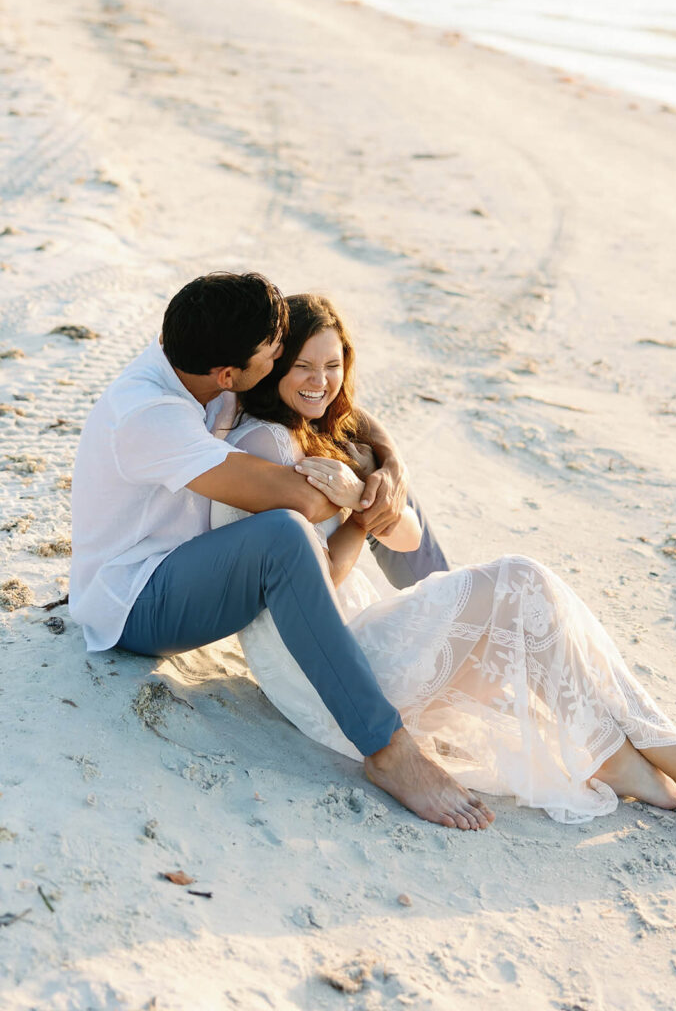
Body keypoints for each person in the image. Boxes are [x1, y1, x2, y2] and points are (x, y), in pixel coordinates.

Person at [211, 293, 676, 855]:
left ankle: (639, 760)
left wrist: (368, 495)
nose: (320, 380)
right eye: (304, 366)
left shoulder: (321, 432)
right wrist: (359, 518)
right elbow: (313, 583)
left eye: (333, 365)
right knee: (521, 581)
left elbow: (405, 537)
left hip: (356, 638)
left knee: (528, 602)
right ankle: (659, 766)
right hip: (326, 671)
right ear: (277, 367)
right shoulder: (265, 443)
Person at [69, 271, 495, 831]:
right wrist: (359, 490)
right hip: (136, 602)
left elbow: (345, 408)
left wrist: (389, 466)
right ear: (231, 377)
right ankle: (386, 749)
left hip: (195, 564)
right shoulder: (150, 418)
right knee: (284, 534)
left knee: (357, 457)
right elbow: (300, 500)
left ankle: (449, 615)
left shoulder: (195, 355)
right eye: (276, 354)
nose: (281, 356)